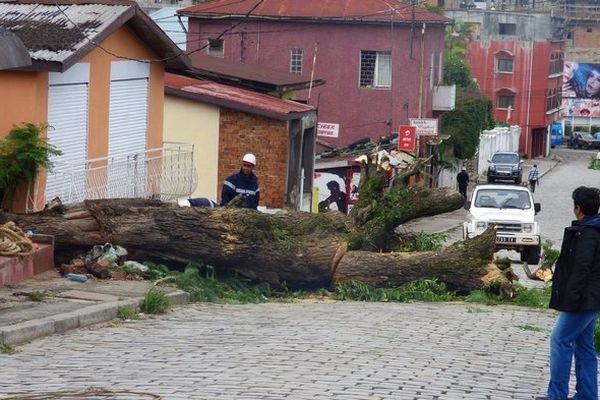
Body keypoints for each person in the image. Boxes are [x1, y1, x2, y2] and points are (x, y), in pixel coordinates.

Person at [536, 186, 600, 400]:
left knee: (560, 339)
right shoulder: (592, 229)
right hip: (592, 298)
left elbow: (581, 270)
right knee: (584, 345)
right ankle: (588, 394)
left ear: (578, 208)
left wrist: (569, 300)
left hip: (585, 298)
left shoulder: (589, 234)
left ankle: (557, 394)